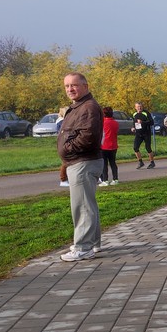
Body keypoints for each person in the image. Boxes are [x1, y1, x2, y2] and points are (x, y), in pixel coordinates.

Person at [58, 72, 104, 261]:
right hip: (77, 162)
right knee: (87, 203)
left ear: (85, 86)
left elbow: (88, 136)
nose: (70, 89)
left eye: (74, 85)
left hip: (83, 162)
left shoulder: (88, 107)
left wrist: (68, 149)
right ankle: (92, 243)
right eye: (67, 86)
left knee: (82, 206)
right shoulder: (79, 106)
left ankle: (83, 247)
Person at [98, 106, 120, 186]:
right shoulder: (115, 123)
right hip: (113, 145)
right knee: (113, 163)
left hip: (104, 145)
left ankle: (105, 180)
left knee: (104, 164)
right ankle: (115, 179)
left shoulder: (102, 123)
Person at [131, 101, 156, 169]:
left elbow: (152, 122)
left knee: (148, 148)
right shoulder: (134, 114)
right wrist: (133, 127)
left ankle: (152, 162)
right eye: (138, 107)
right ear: (135, 108)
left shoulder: (146, 113)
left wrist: (143, 122)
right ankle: (140, 162)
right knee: (135, 147)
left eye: (141, 106)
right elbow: (134, 122)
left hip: (146, 133)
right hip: (138, 134)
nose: (139, 108)